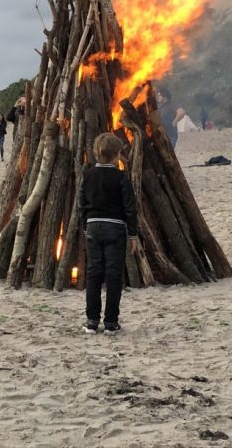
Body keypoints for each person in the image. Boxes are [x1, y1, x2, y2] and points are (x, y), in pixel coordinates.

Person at [79, 132, 139, 335]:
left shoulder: (87, 175)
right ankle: (111, 322)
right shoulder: (121, 177)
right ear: (116, 156)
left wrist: (85, 227)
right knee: (114, 274)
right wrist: (133, 235)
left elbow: (82, 204)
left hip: (93, 227)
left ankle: (91, 321)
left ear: (96, 154)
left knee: (94, 273)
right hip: (115, 228)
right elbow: (130, 208)